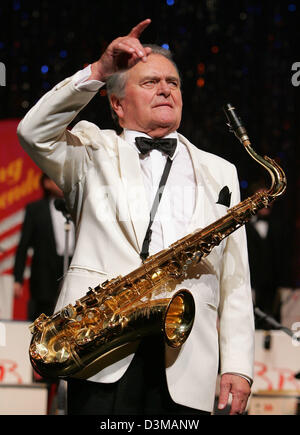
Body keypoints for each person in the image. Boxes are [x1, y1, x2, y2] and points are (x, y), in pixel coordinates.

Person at [17, 19, 254, 415]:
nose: (165, 88)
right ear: (117, 104)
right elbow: (34, 131)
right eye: (149, 82)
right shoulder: (91, 149)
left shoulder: (221, 170)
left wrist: (238, 365)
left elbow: (236, 277)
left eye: (173, 82)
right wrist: (97, 72)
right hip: (100, 351)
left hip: (186, 355)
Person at [13, 174, 75, 321]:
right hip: (45, 274)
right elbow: (23, 246)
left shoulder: (75, 207)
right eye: (57, 180)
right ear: (46, 183)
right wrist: (18, 279)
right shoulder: (35, 209)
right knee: (43, 316)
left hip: (71, 267)